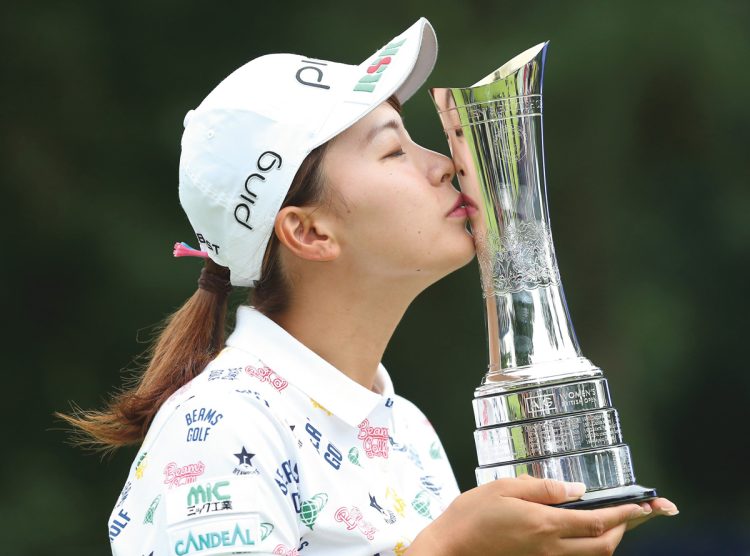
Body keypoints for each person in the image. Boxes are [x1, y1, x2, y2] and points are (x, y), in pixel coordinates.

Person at [62, 17, 678, 556]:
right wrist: (451, 548)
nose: (442, 164)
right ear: (308, 231)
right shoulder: (222, 425)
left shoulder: (405, 428)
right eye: (392, 151)